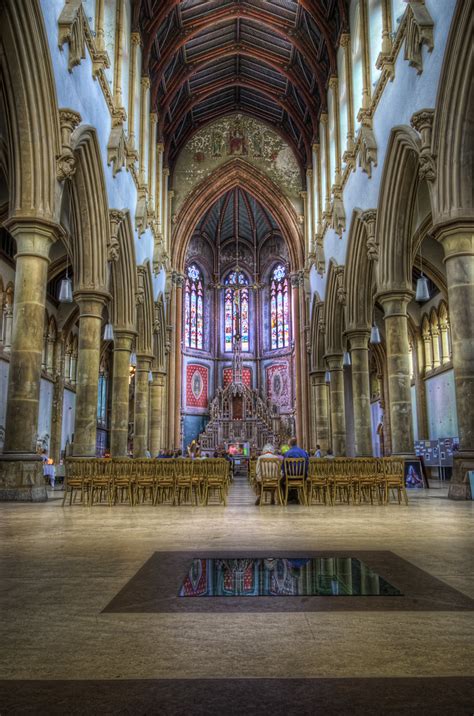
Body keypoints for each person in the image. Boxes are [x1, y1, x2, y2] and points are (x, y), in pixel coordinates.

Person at [283, 437, 309, 503]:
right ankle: (294, 497)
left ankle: (288, 498)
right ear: (296, 443)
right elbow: (307, 464)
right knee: (292, 476)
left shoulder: (287, 453)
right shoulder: (303, 452)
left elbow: (283, 467)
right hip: (302, 476)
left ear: (290, 445)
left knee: (281, 482)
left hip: (290, 477)